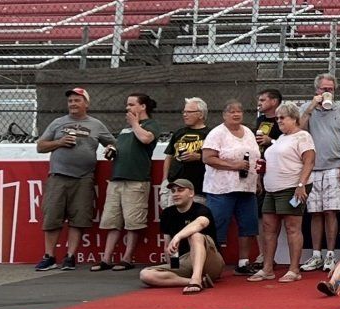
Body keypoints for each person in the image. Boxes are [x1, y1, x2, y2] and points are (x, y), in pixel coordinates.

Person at [34, 86, 112, 271]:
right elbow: (40, 146)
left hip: (84, 178)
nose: (73, 104)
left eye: (77, 100)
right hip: (58, 176)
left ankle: (70, 256)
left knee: (79, 219)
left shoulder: (96, 125)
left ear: (86, 103)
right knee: (52, 217)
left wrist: (111, 149)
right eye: (70, 101)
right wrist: (59, 143)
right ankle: (49, 256)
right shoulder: (58, 122)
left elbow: (112, 143)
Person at [253, 100, 314, 282]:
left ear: (294, 118)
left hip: (291, 187)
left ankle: (294, 269)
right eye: (277, 117)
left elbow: (309, 161)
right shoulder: (280, 139)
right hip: (271, 189)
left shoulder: (303, 137)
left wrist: (301, 185)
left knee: (292, 228)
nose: (278, 121)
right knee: (268, 228)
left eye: (282, 118)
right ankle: (268, 268)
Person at [95, 92, 157, 272]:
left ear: (142, 106)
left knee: (133, 222)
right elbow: (121, 146)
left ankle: (127, 257)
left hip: (136, 180)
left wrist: (135, 124)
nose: (127, 108)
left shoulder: (151, 125)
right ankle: (106, 258)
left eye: (131, 104)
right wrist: (112, 149)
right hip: (116, 179)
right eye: (127, 105)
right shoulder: (124, 130)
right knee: (112, 221)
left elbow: (146, 139)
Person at [200, 99, 260, 272]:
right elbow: (208, 158)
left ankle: (243, 262)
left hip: (246, 187)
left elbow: (255, 157)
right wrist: (234, 166)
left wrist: (257, 180)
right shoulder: (217, 133)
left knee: (248, 225)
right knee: (217, 225)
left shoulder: (248, 131)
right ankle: (212, 264)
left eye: (239, 111)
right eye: (231, 111)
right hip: (221, 188)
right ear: (224, 115)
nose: (236, 114)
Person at [301, 73, 340, 271]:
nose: (327, 92)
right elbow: (298, 128)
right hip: (312, 167)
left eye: (330, 89)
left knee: (331, 211)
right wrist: (312, 106)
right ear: (317, 90)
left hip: (334, 166)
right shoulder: (307, 108)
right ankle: (316, 255)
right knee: (315, 212)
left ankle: (330, 255)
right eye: (324, 89)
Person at [139, 179, 223, 293]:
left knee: (195, 236)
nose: (176, 194)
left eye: (180, 190)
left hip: (210, 261)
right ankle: (195, 281)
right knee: (146, 274)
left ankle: (196, 279)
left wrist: (178, 236)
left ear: (191, 193)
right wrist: (173, 267)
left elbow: (201, 222)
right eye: (173, 191)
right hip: (184, 262)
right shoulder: (168, 213)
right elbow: (169, 246)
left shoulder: (201, 209)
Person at [163, 96, 211, 217]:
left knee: (195, 225)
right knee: (173, 223)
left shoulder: (211, 134)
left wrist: (198, 157)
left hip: (197, 189)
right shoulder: (179, 133)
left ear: (200, 114)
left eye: (189, 112)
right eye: (184, 112)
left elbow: (217, 157)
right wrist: (164, 180)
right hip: (175, 187)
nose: (185, 115)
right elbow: (169, 156)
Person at [253, 88, 283, 154]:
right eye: (258, 101)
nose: (259, 103)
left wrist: (271, 141)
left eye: (262, 100)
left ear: (274, 101)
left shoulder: (283, 120)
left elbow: (288, 144)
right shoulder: (259, 119)